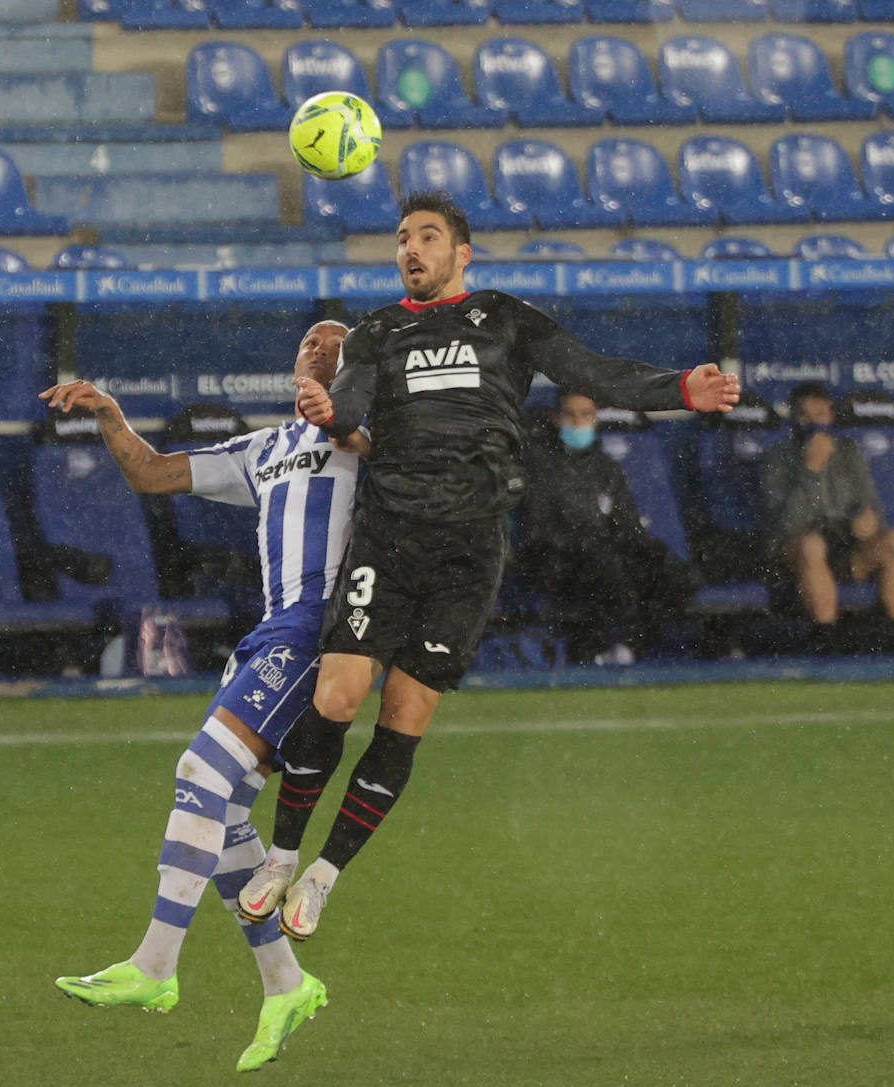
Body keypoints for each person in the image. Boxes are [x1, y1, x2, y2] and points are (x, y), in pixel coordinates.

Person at [237, 189, 741, 942]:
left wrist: (679, 389)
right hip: (390, 535)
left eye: (428, 237)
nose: (412, 248)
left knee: (405, 716)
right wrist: (322, 407)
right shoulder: (376, 333)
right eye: (403, 237)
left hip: (470, 548)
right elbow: (348, 410)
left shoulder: (505, 318)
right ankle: (281, 855)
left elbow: (591, 371)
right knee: (339, 695)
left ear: (461, 254)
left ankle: (324, 873)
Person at [39, 321, 367, 1073]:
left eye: (337, 345)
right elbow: (154, 474)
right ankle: (286, 982)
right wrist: (112, 417)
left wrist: (350, 416)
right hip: (271, 629)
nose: (318, 348)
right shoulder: (268, 447)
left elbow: (409, 467)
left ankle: (155, 965)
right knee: (221, 810)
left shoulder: (366, 439)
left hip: (321, 629)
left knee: (199, 772)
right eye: (309, 343)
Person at [516, 389, 699, 665]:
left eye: (586, 415)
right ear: (555, 418)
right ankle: (587, 654)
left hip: (608, 556)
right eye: (570, 415)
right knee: (607, 570)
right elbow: (538, 532)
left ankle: (629, 648)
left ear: (596, 418)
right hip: (559, 563)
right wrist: (587, 544)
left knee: (679, 575)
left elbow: (628, 526)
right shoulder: (539, 468)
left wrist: (647, 551)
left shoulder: (606, 468)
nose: (578, 423)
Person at [761, 381, 894, 653]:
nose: (813, 423)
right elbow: (786, 525)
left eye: (819, 414)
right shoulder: (777, 458)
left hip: (848, 548)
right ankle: (827, 639)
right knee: (812, 545)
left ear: (830, 415)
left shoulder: (849, 451)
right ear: (793, 418)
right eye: (804, 416)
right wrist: (811, 470)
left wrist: (869, 522)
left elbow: (873, 507)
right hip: (798, 554)